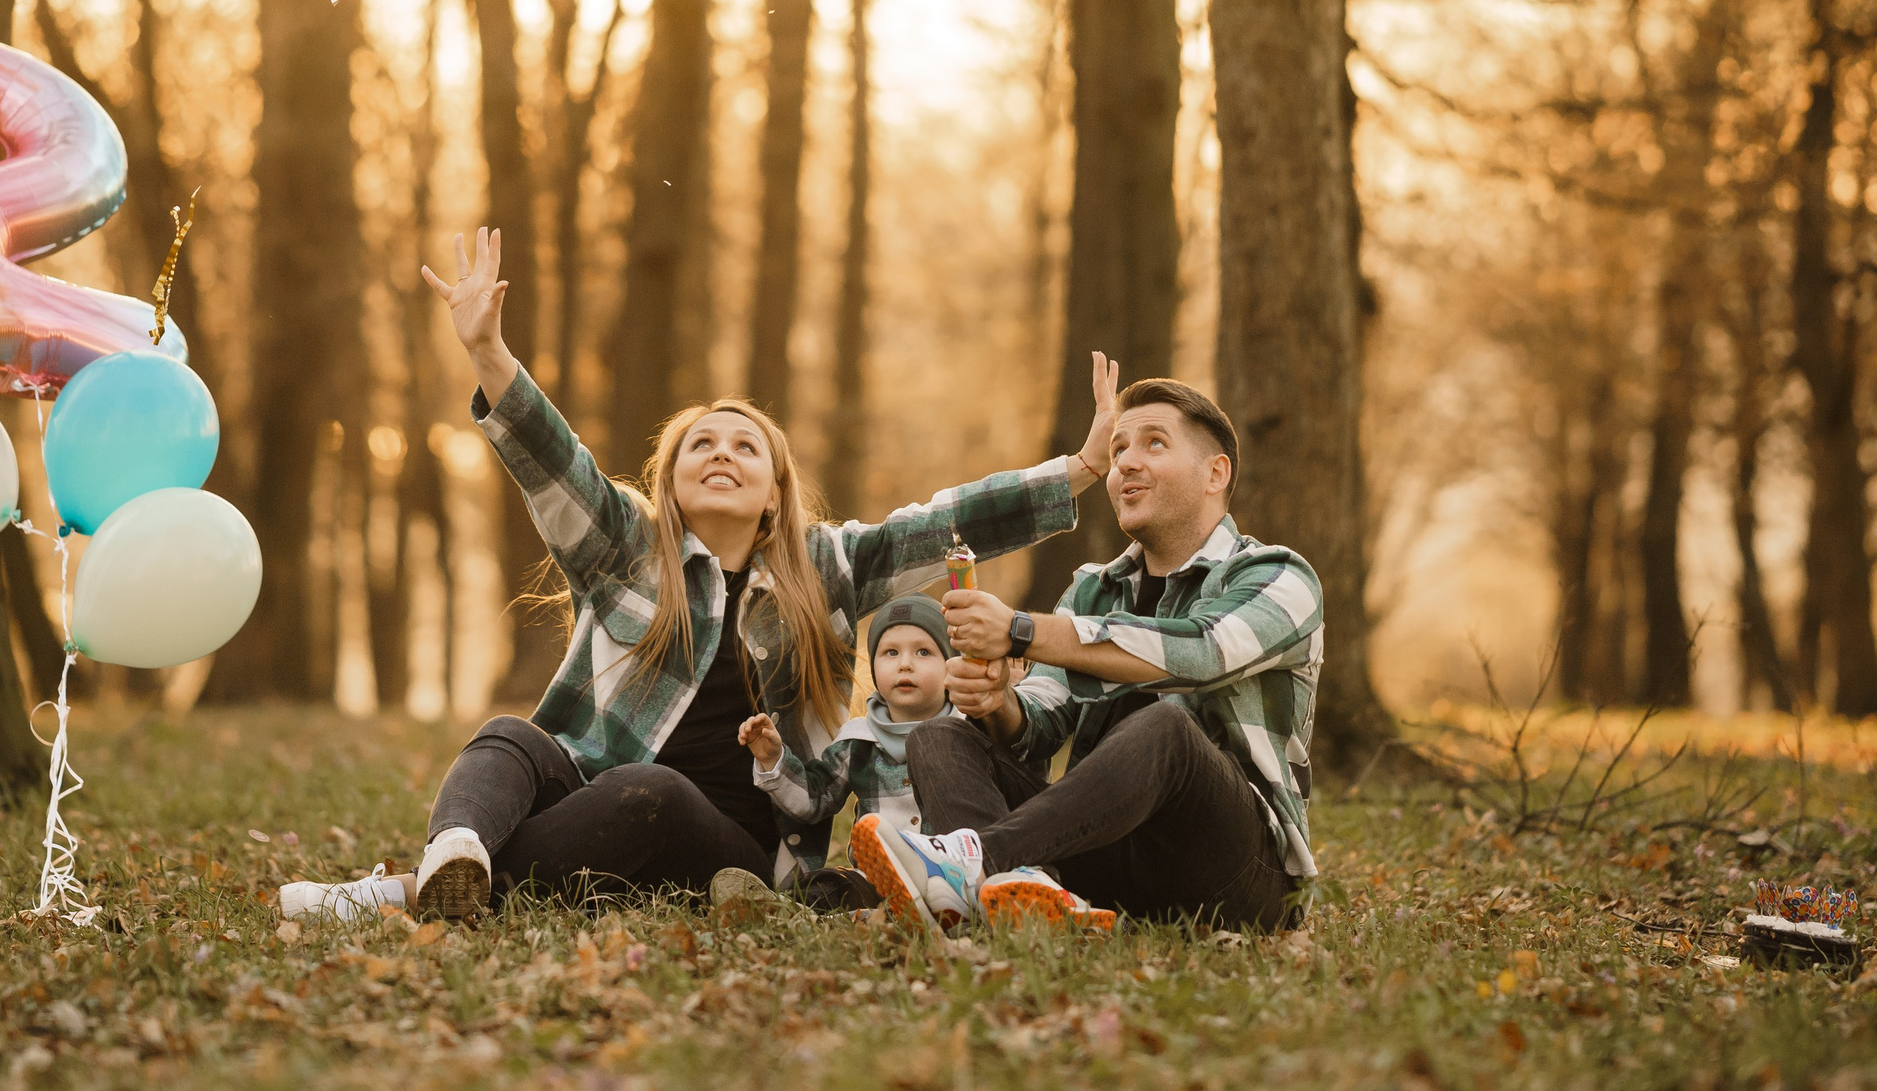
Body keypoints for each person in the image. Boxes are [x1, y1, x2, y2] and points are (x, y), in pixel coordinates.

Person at [281, 229, 1116, 924]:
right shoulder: (625, 548)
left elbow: (942, 521)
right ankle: (450, 858)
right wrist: (487, 350)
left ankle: (389, 896)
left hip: (728, 850)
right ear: (671, 480)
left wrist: (1079, 470)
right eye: (700, 445)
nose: (721, 454)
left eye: (745, 446)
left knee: (654, 790)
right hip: (586, 804)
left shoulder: (827, 568)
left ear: (774, 490)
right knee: (512, 737)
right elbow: (553, 461)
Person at [846, 377, 1320, 935]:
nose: (1127, 463)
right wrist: (998, 702)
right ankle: (1020, 898)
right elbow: (1041, 722)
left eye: (1154, 443)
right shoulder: (1092, 589)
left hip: (1238, 875)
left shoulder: (1279, 576)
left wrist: (1020, 631)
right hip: (1107, 858)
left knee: (1167, 726)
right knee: (939, 735)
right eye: (1118, 450)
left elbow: (1202, 652)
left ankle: (975, 864)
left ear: (1215, 474)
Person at [732, 594, 1042, 916]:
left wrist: (1009, 697)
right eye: (891, 652)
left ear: (951, 666)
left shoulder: (972, 731)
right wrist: (774, 759)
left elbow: (1020, 781)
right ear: (874, 666)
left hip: (952, 877)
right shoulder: (857, 740)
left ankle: (943, 904)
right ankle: (779, 909)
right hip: (878, 880)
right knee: (828, 886)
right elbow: (814, 801)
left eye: (924, 652)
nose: (905, 664)